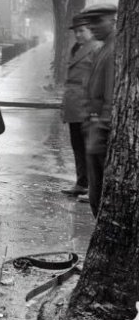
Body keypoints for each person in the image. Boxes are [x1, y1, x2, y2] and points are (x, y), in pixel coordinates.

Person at [75, 3, 117, 216]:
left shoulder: (113, 50)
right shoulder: (104, 48)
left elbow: (111, 94)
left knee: (100, 192)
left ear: (112, 20)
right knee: (96, 191)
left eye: (98, 21)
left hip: (101, 129)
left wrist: (101, 127)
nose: (93, 26)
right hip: (94, 125)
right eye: (90, 22)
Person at [60, 14, 100, 197]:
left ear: (90, 30)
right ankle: (81, 183)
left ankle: (94, 188)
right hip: (73, 105)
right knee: (77, 146)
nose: (77, 35)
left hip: (87, 105)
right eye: (75, 31)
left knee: (90, 148)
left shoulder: (97, 48)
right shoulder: (76, 48)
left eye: (81, 31)